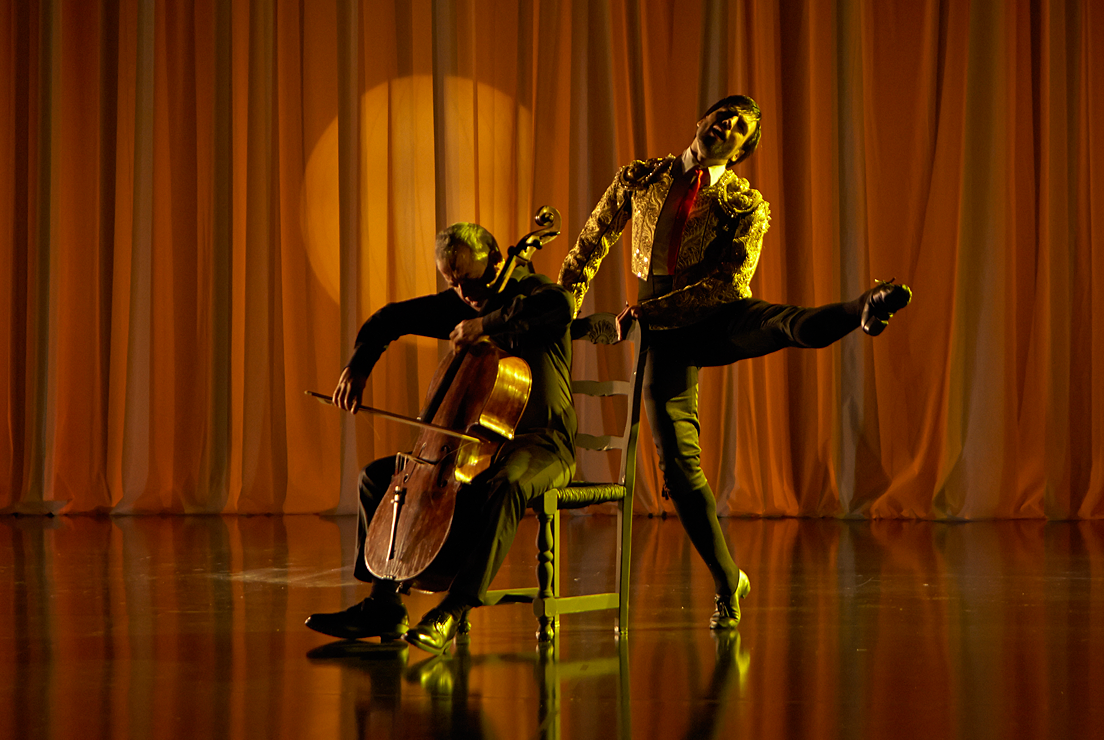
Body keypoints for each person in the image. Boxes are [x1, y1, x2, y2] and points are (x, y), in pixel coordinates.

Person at [557, 95, 911, 631]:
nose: (727, 126)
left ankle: (863, 306)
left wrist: (647, 312)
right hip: (664, 337)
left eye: (739, 127)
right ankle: (729, 581)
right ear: (703, 119)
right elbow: (590, 244)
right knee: (679, 468)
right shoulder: (640, 178)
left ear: (741, 150)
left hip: (716, 314)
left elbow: (728, 284)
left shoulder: (745, 204)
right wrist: (565, 310)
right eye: (723, 116)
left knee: (782, 323)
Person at [306, 223, 576, 655]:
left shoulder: (533, 294)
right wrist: (357, 367)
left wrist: (484, 324)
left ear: (495, 259)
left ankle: (453, 608)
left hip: (541, 443)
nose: (464, 294)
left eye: (469, 280)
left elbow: (562, 305)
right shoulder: (464, 303)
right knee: (376, 479)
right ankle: (383, 604)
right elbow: (389, 319)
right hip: (478, 448)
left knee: (506, 484)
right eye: (453, 284)